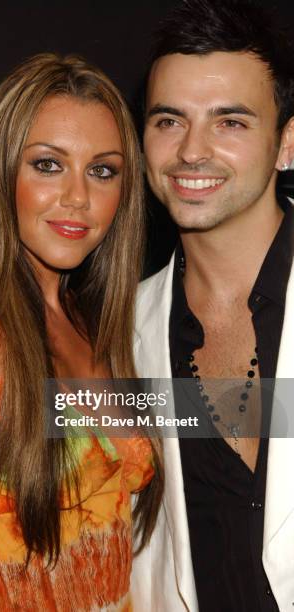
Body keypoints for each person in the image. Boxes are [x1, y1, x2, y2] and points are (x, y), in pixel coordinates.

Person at [0, 53, 163, 611]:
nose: (78, 197)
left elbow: (232, 419)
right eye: (48, 164)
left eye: (103, 170)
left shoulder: (94, 323)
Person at [132, 0, 294, 610]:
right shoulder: (115, 333)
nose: (191, 151)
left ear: (286, 144)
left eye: (230, 122)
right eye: (169, 120)